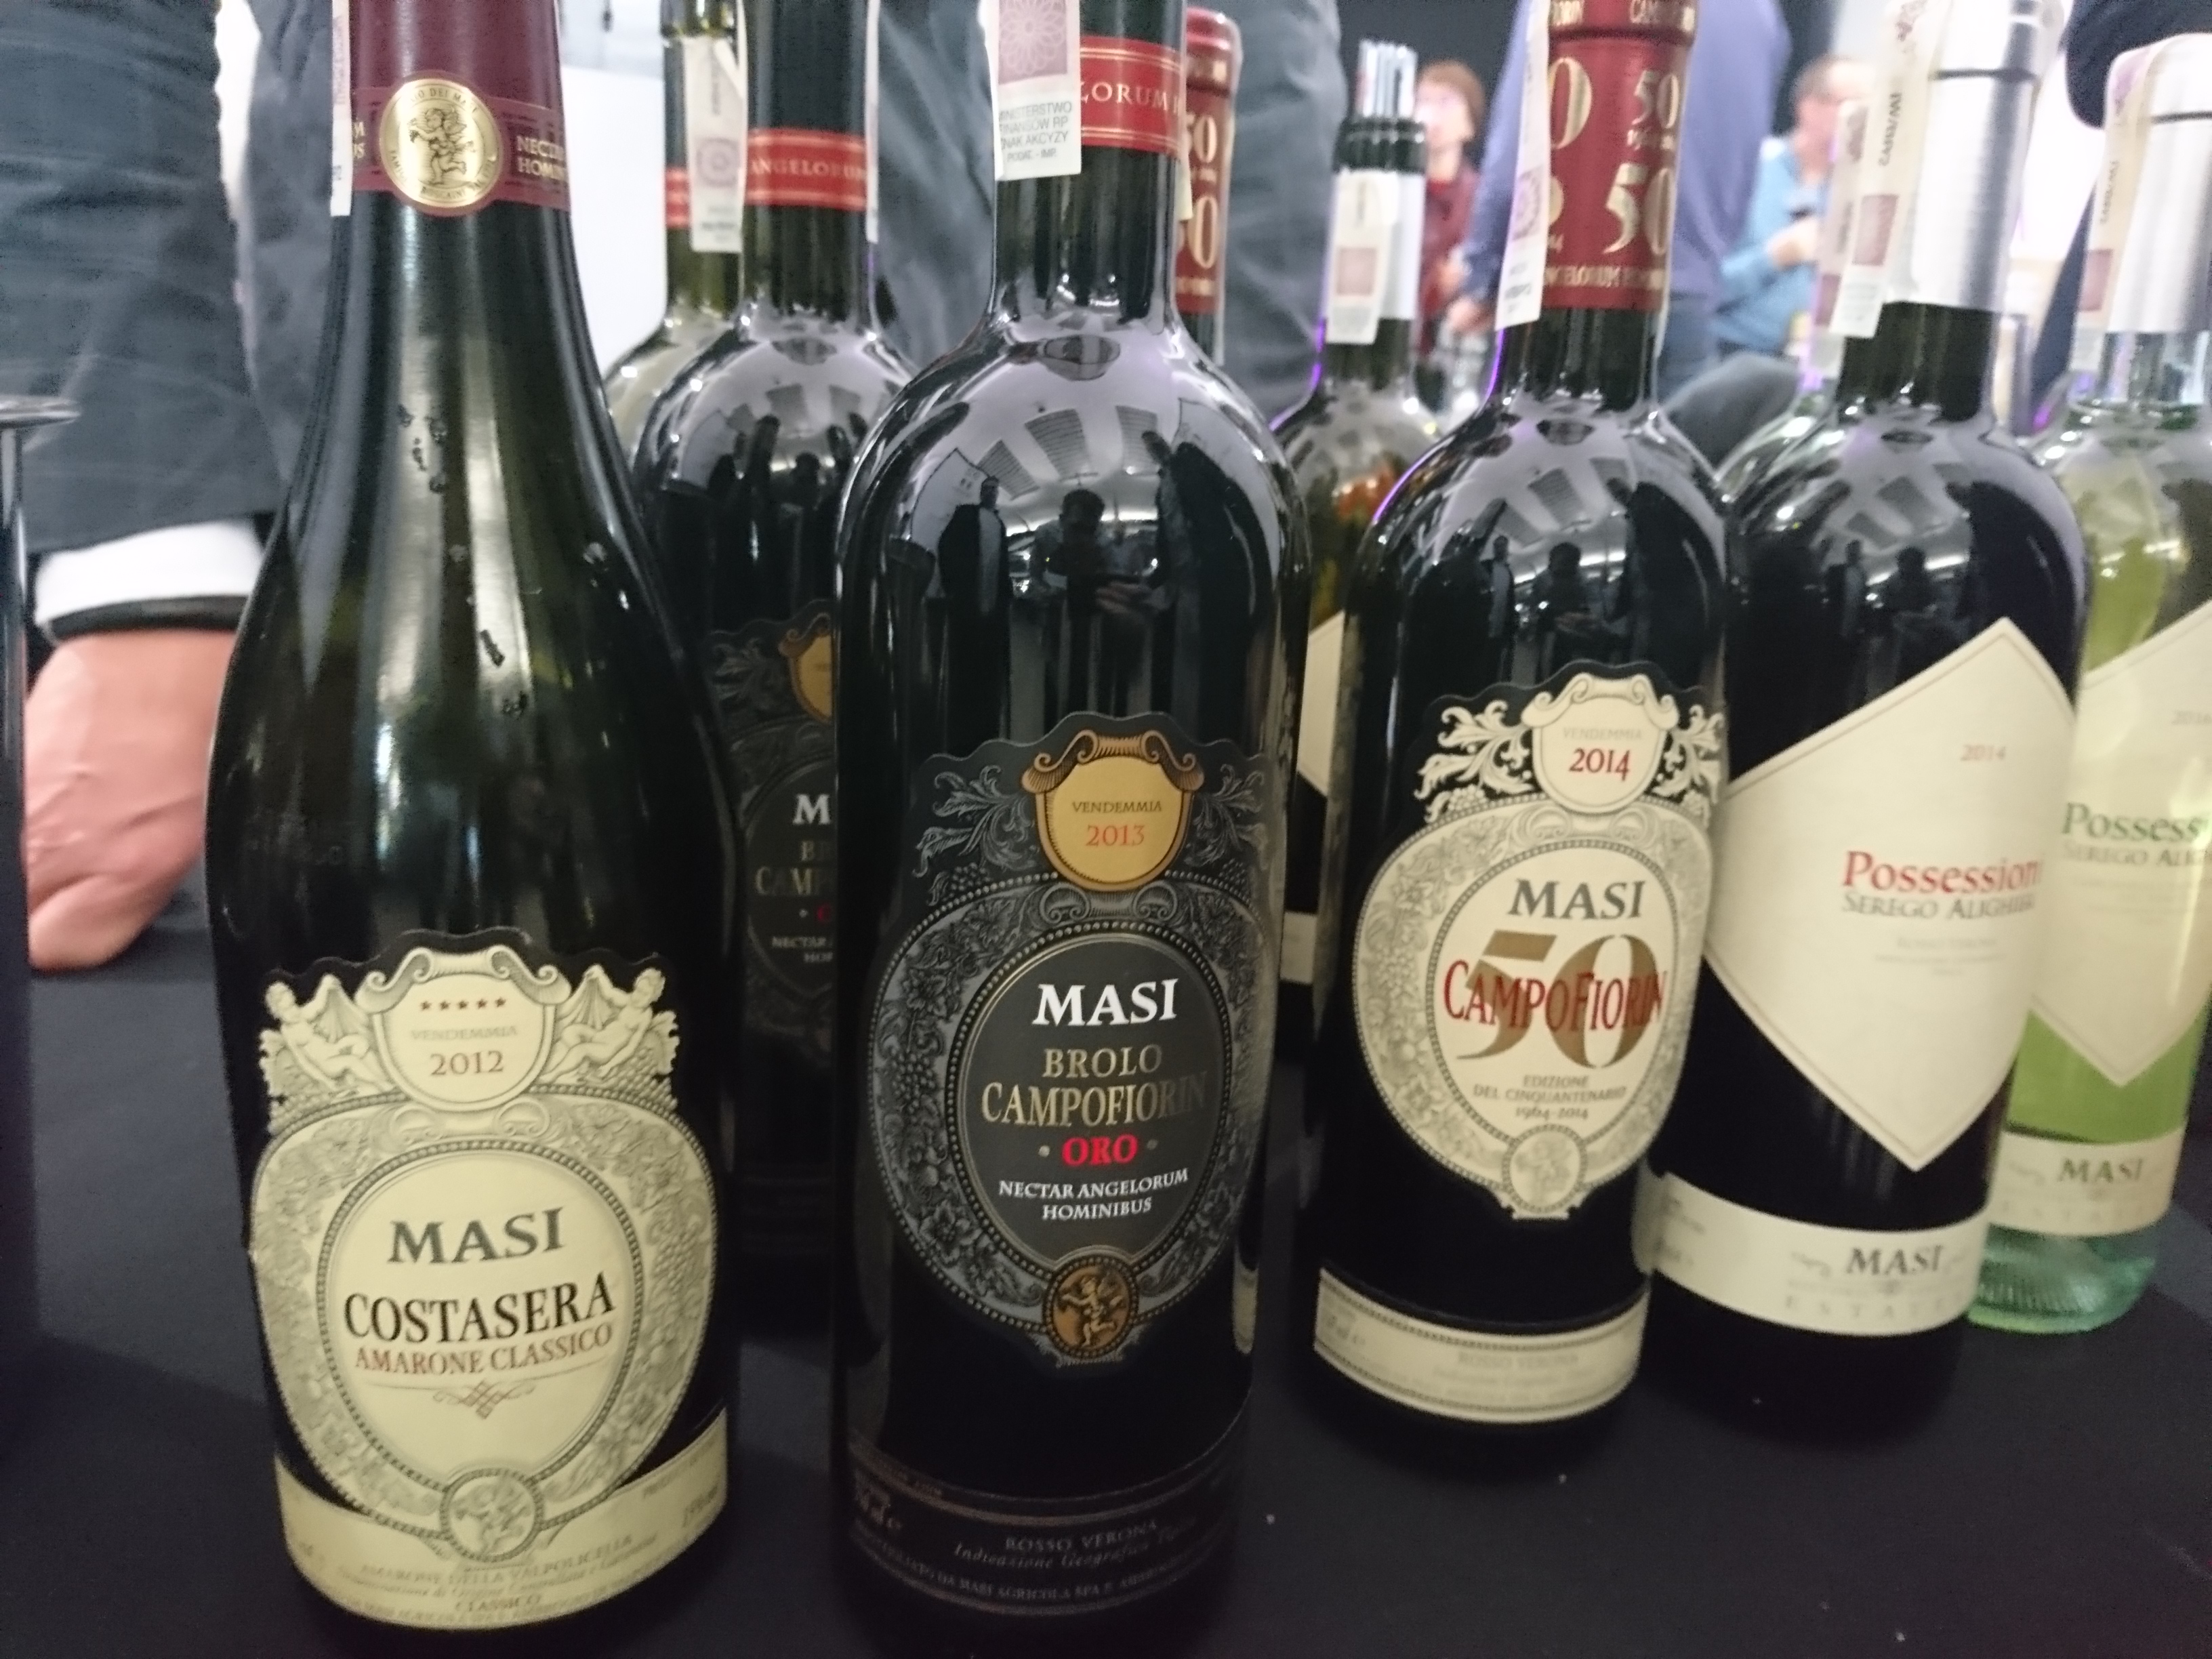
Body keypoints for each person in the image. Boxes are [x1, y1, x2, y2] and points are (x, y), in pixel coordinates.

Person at [0, 0, 1345, 972]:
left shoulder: (970, 427)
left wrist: (1206, 422)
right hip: (409, 330)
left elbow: (1265, 45)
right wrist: (149, 567)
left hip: (893, 298)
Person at [1446, 0, 1788, 400]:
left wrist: (1483, 277)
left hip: (1563, 293)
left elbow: (1521, 141)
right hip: (1691, 299)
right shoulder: (1760, 13)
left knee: (1528, 434)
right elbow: (1746, 169)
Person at [1714, 54, 1868, 361]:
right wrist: (1773, 258)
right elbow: (1696, 288)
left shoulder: (1860, 193)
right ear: (1809, 107)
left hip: (1809, 365)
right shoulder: (1748, 170)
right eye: (1854, 106)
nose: (1866, 121)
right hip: (1725, 355)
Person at [1414, 59, 1485, 356]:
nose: (1431, 114)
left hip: (1455, 347)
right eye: (1423, 101)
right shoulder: (1394, 193)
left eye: (1446, 102)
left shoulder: (1481, 199)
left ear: (1470, 124)